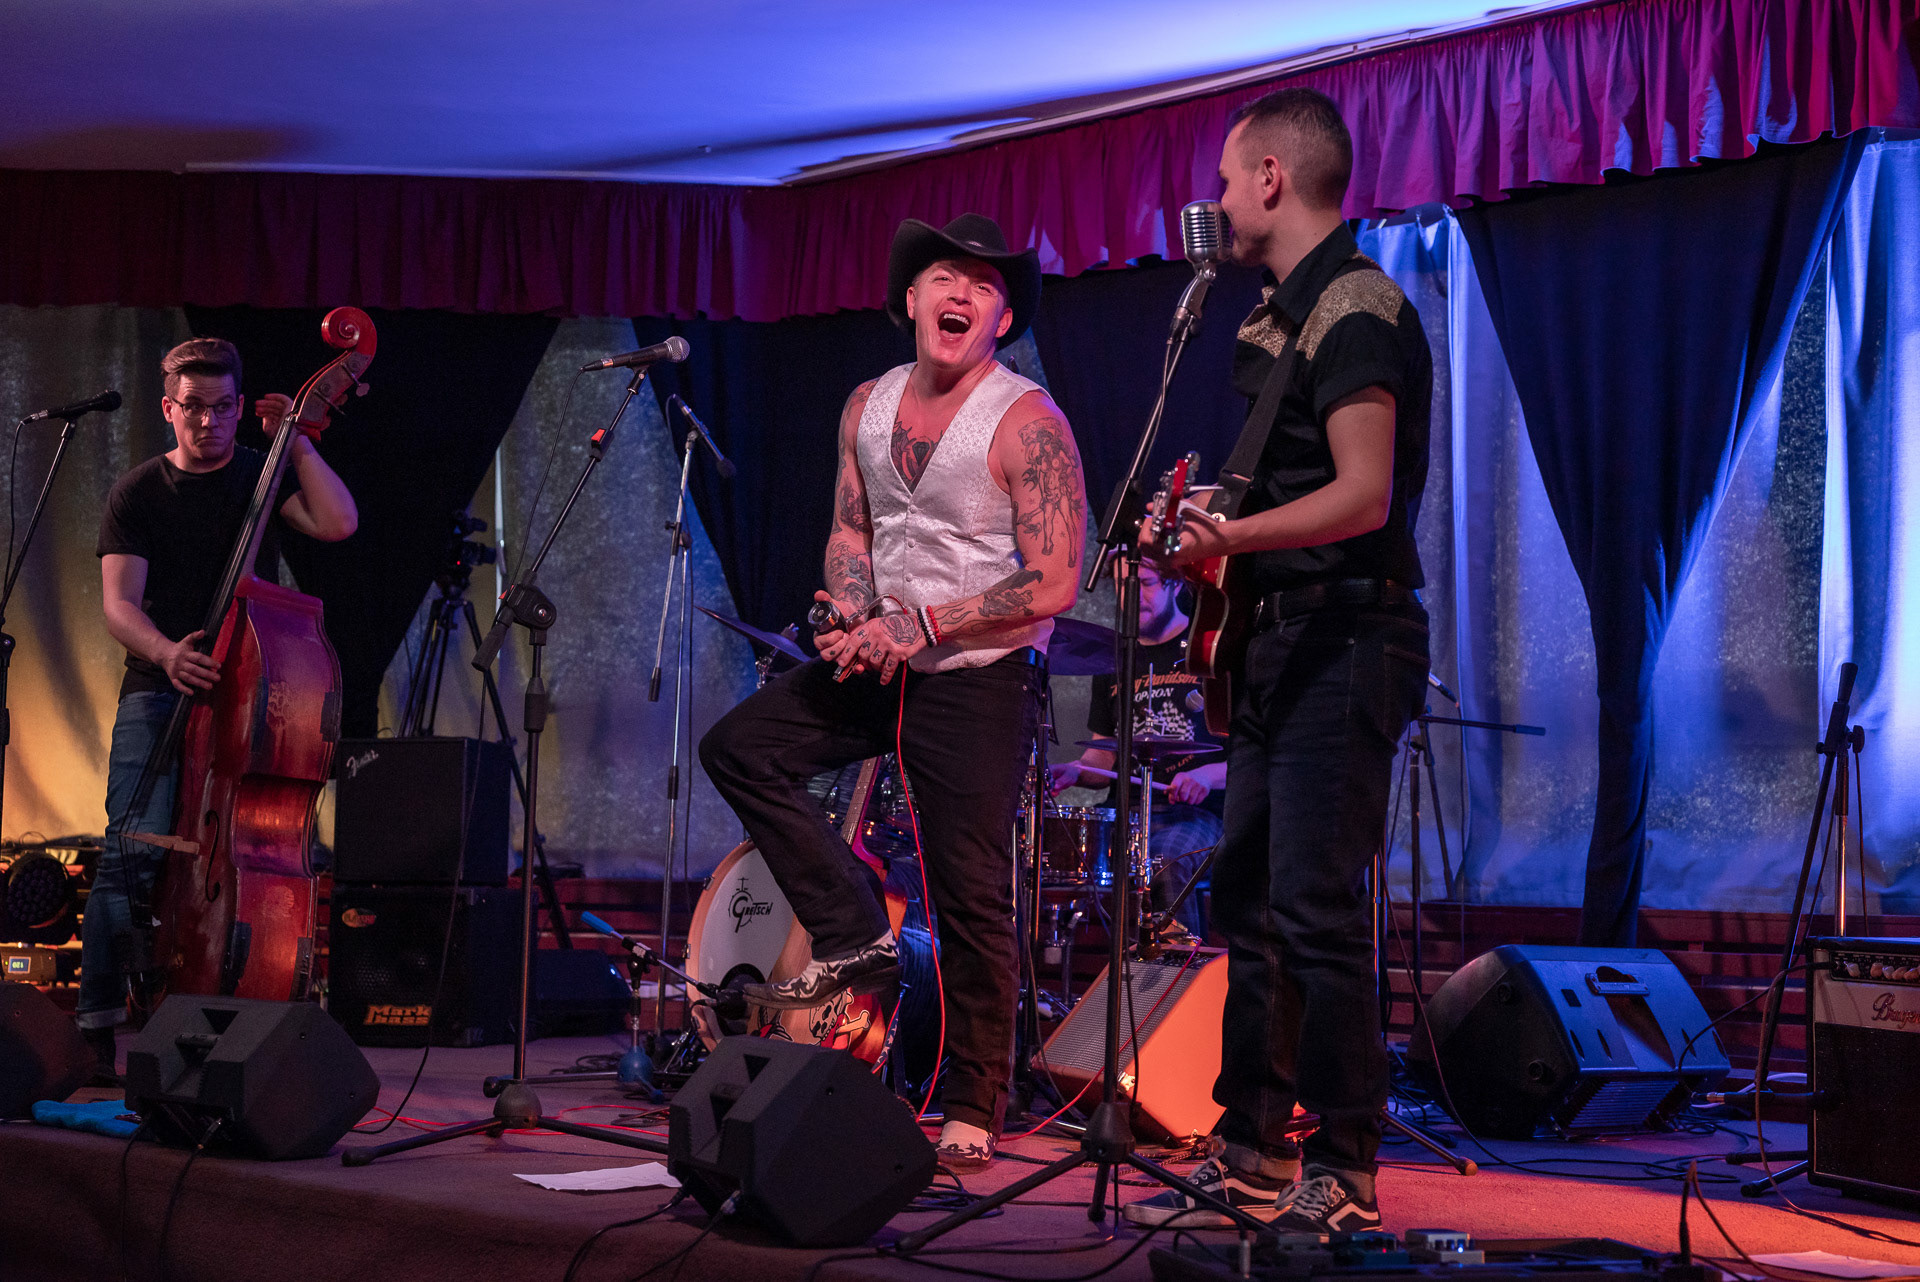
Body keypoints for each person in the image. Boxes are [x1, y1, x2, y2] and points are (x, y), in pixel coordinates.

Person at [700, 213, 1086, 1171]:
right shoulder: (866, 403)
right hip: (882, 661)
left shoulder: (1027, 420)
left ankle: (974, 1103)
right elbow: (852, 529)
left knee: (968, 894)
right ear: (912, 298)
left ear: (1001, 320)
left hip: (977, 678)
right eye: (946, 277)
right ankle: (854, 928)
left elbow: (1055, 580)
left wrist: (924, 623)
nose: (962, 294)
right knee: (740, 747)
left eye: (985, 287)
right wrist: (848, 603)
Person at [1125, 88, 1432, 1232]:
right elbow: (1290, 485)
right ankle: (1251, 1145)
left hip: (1347, 635)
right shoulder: (1270, 320)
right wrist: (1203, 524)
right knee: (1248, 900)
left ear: (1270, 178)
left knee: (1313, 904)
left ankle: (1346, 1166)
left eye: (1224, 177)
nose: (1215, 198)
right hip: (1275, 635)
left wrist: (1232, 535)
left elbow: (1363, 495)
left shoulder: (1356, 306)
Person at [78, 338, 359, 1077]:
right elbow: (119, 605)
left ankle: (216, 1014)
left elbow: (338, 522)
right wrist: (168, 653)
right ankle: (94, 1024)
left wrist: (296, 441)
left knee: (238, 850)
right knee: (130, 852)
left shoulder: (260, 476)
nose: (209, 422)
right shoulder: (138, 492)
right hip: (157, 687)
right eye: (194, 408)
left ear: (239, 408)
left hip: (246, 694)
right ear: (169, 409)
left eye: (224, 407)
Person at [1048, 561, 1224, 938]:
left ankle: (1178, 969)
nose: (1132, 595)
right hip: (1124, 813)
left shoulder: (1208, 649)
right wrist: (1076, 770)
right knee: (1057, 857)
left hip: (1195, 815)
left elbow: (1250, 755)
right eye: (1123, 584)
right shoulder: (1110, 658)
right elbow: (1102, 758)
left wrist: (1205, 776)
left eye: (1144, 582)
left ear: (1174, 583)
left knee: (1164, 862)